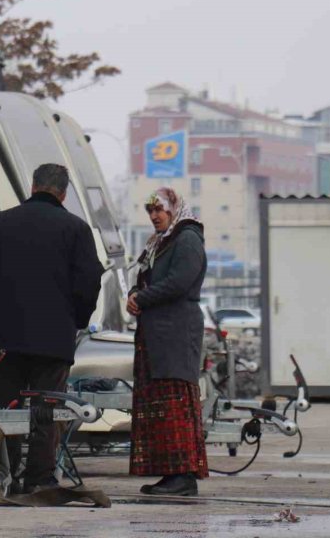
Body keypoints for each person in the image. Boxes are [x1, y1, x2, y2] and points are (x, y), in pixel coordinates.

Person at [0, 163, 103, 493]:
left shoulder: (1, 223)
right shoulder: (76, 229)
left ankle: (8, 475)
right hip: (54, 338)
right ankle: (40, 479)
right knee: (46, 409)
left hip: (8, 337)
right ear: (64, 193)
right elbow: (90, 282)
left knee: (9, 409)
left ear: (32, 186)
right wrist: (76, 319)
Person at [126, 187, 209, 496]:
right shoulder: (160, 243)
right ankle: (171, 473)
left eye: (159, 209)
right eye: (150, 211)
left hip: (175, 333)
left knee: (176, 403)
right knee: (161, 404)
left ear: (174, 209)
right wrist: (134, 295)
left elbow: (179, 281)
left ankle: (183, 476)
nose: (154, 216)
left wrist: (142, 297)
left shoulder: (187, 238)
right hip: (158, 335)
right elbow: (147, 279)